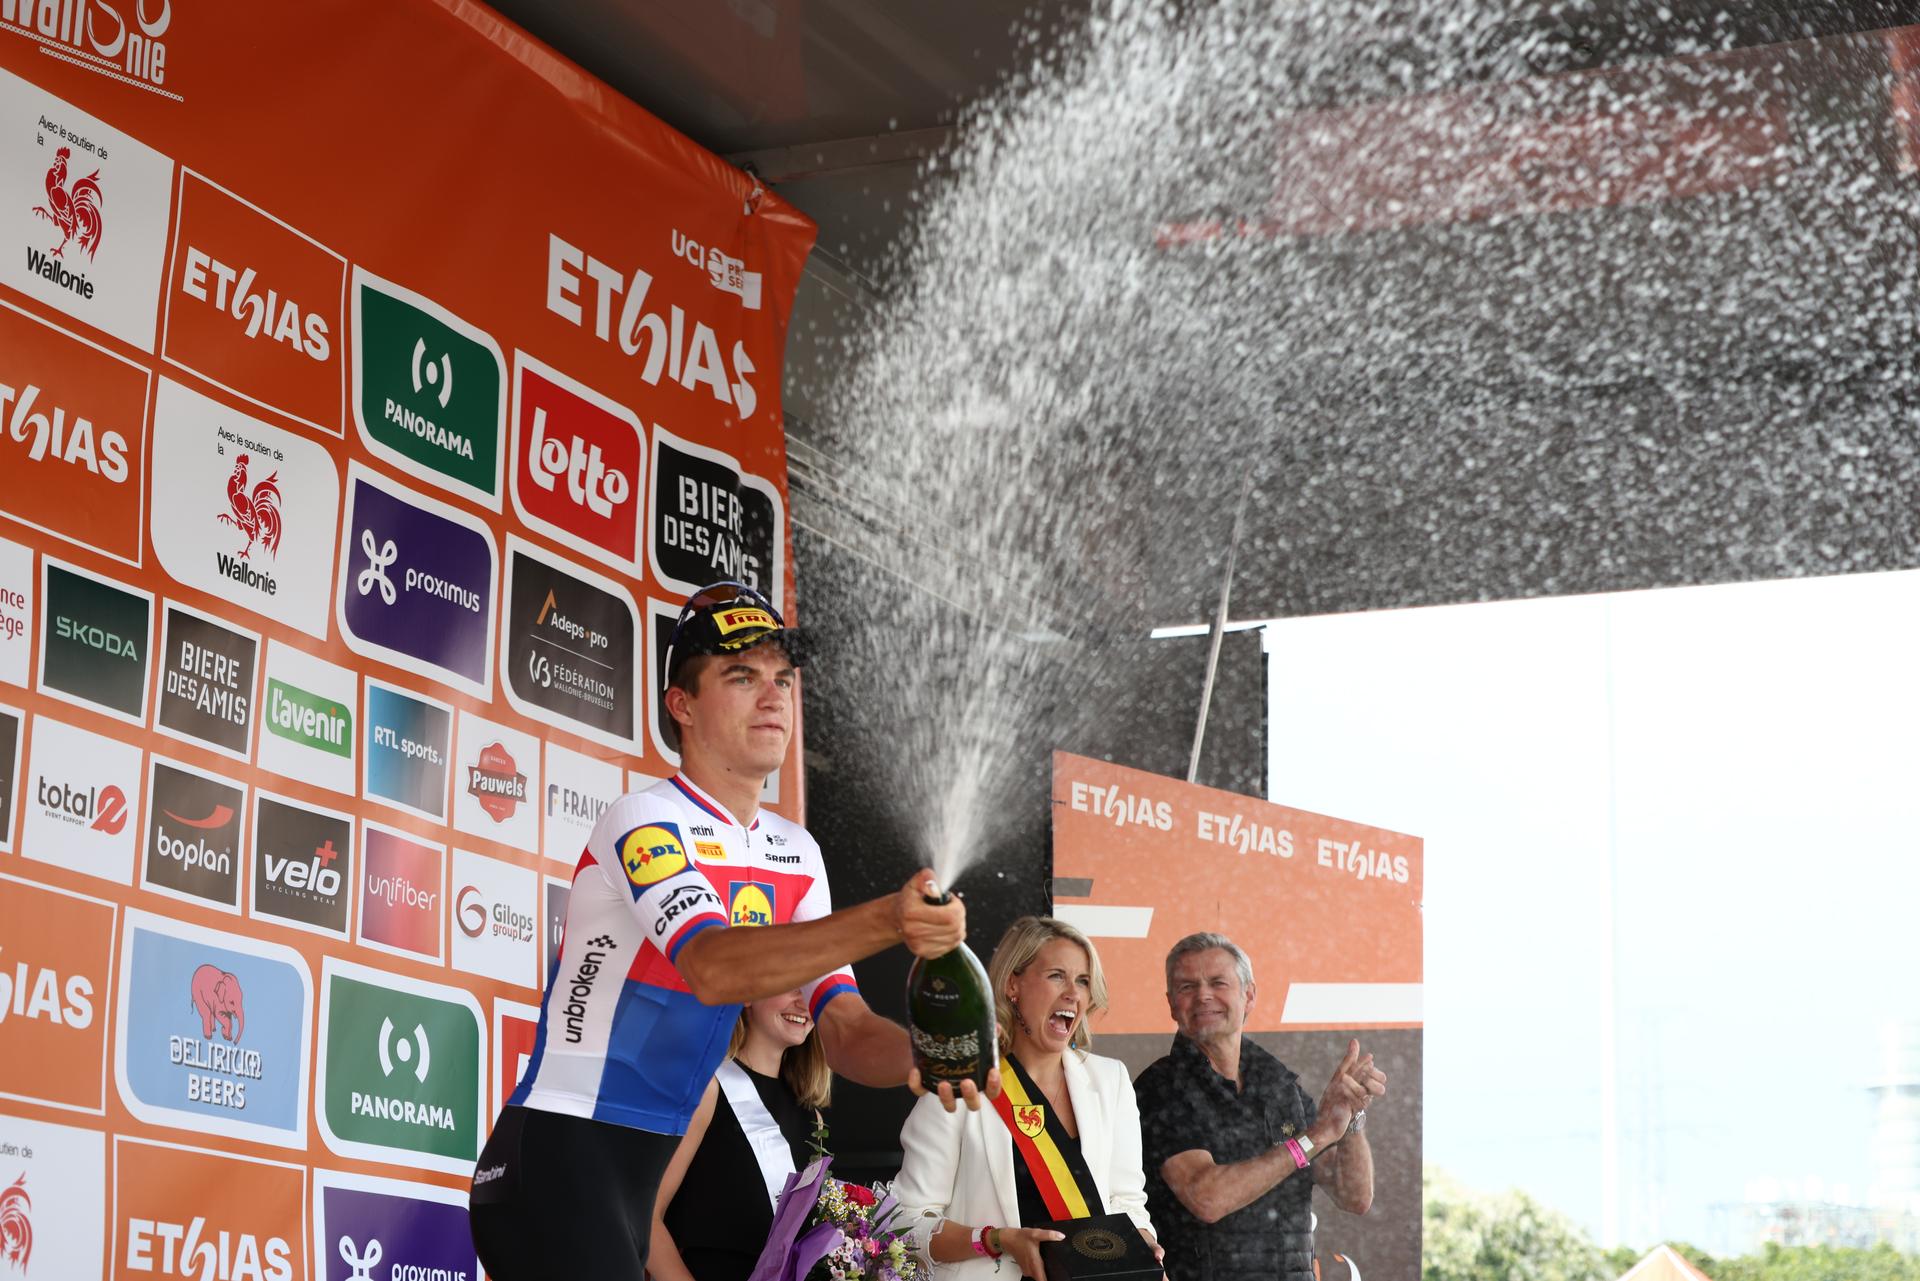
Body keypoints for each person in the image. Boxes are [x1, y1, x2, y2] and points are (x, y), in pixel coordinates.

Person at [470, 581, 987, 1281]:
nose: (773, 696)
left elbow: (845, 1030)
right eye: (741, 676)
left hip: (640, 1175)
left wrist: (930, 1059)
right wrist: (888, 920)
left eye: (781, 677)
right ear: (681, 704)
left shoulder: (795, 850)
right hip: (560, 1152)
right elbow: (713, 967)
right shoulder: (642, 819)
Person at [893, 916, 1158, 1281]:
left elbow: (1126, 1202)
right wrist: (994, 1239)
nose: (1073, 994)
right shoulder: (959, 1083)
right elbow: (903, 1224)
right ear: (1012, 984)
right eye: (1056, 976)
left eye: (1082, 981)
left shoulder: (1110, 1079)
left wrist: (1143, 1247)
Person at [1132, 933, 1388, 1281]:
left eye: (1218, 982)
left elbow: (1354, 1196)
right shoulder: (1160, 1086)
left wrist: (1351, 1119)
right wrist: (1315, 1137)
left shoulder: (1282, 1086)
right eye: (1187, 986)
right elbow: (1207, 1198)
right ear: (1172, 1004)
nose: (1203, 995)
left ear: (1249, 995)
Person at [650, 989, 830, 1281]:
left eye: (811, 990)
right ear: (747, 992)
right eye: (792, 984)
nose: (804, 1002)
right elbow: (646, 1216)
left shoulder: (813, 1118)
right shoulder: (707, 1089)